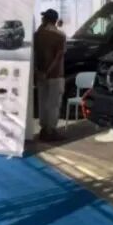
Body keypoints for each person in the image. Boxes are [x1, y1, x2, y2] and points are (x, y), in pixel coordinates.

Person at [34, 9, 67, 141]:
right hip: (55, 75)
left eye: (43, 18)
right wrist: (48, 72)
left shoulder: (37, 35)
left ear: (46, 20)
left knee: (42, 102)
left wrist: (40, 72)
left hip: (40, 74)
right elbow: (58, 57)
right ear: (55, 20)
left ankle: (43, 129)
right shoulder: (60, 36)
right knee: (53, 104)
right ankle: (51, 130)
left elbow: (35, 55)